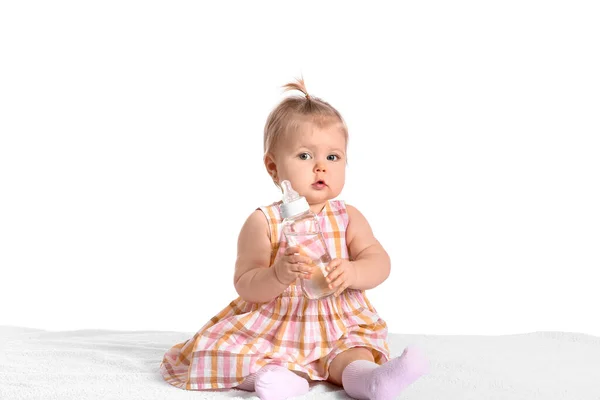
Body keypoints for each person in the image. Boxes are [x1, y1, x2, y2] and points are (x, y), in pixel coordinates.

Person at [160, 77, 429, 400]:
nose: (320, 168)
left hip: (337, 320)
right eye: (304, 156)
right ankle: (281, 379)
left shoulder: (348, 217)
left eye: (333, 157)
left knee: (352, 352)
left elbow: (380, 262)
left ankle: (373, 381)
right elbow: (245, 282)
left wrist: (355, 272)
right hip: (276, 324)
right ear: (273, 167)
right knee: (230, 352)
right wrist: (276, 275)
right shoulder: (264, 221)